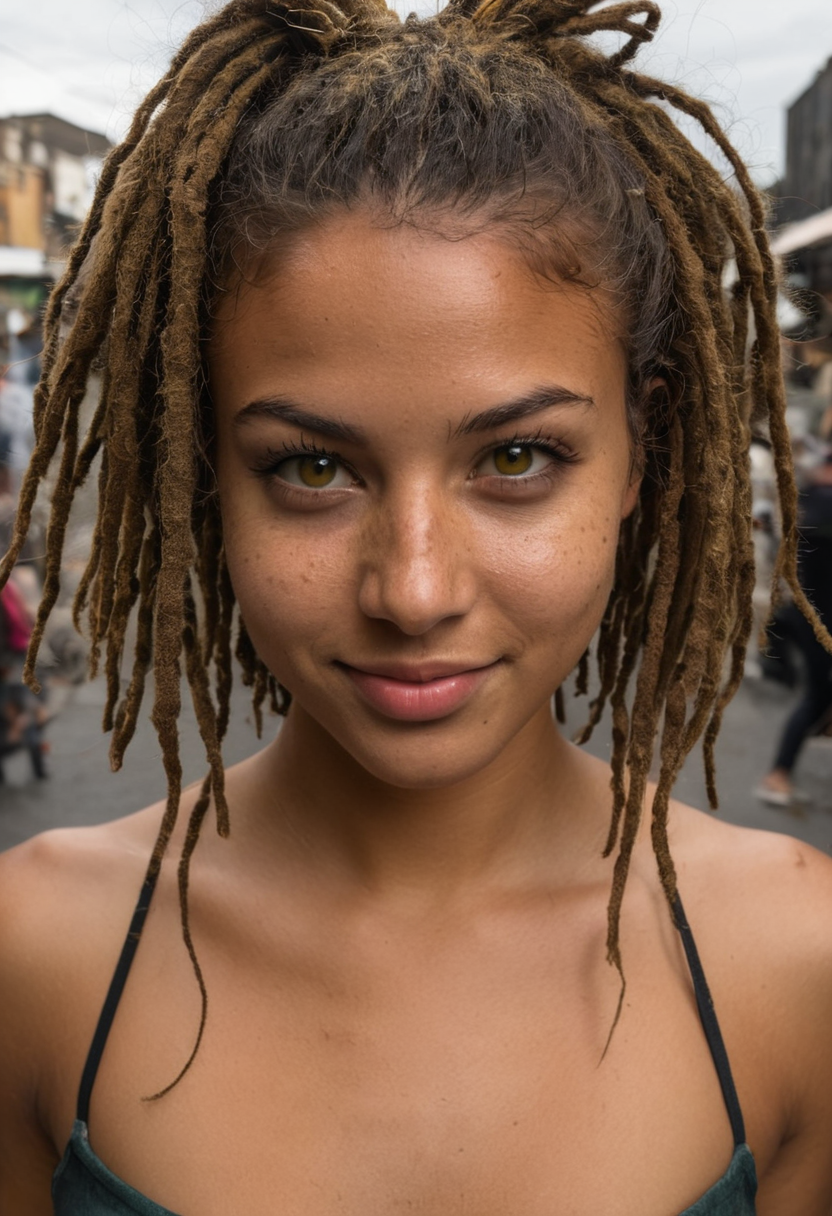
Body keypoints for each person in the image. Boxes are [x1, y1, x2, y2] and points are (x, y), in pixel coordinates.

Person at [1, 1, 831, 1212]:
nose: (415, 589)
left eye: (515, 460)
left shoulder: (796, 964)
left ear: (642, 457)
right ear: (206, 478)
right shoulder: (37, 953)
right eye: (313, 467)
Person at [756, 452, 832, 806]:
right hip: (817, 620)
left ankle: (779, 774)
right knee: (816, 698)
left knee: (817, 699)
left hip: (808, 615)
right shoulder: (821, 503)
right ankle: (777, 776)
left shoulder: (813, 499)